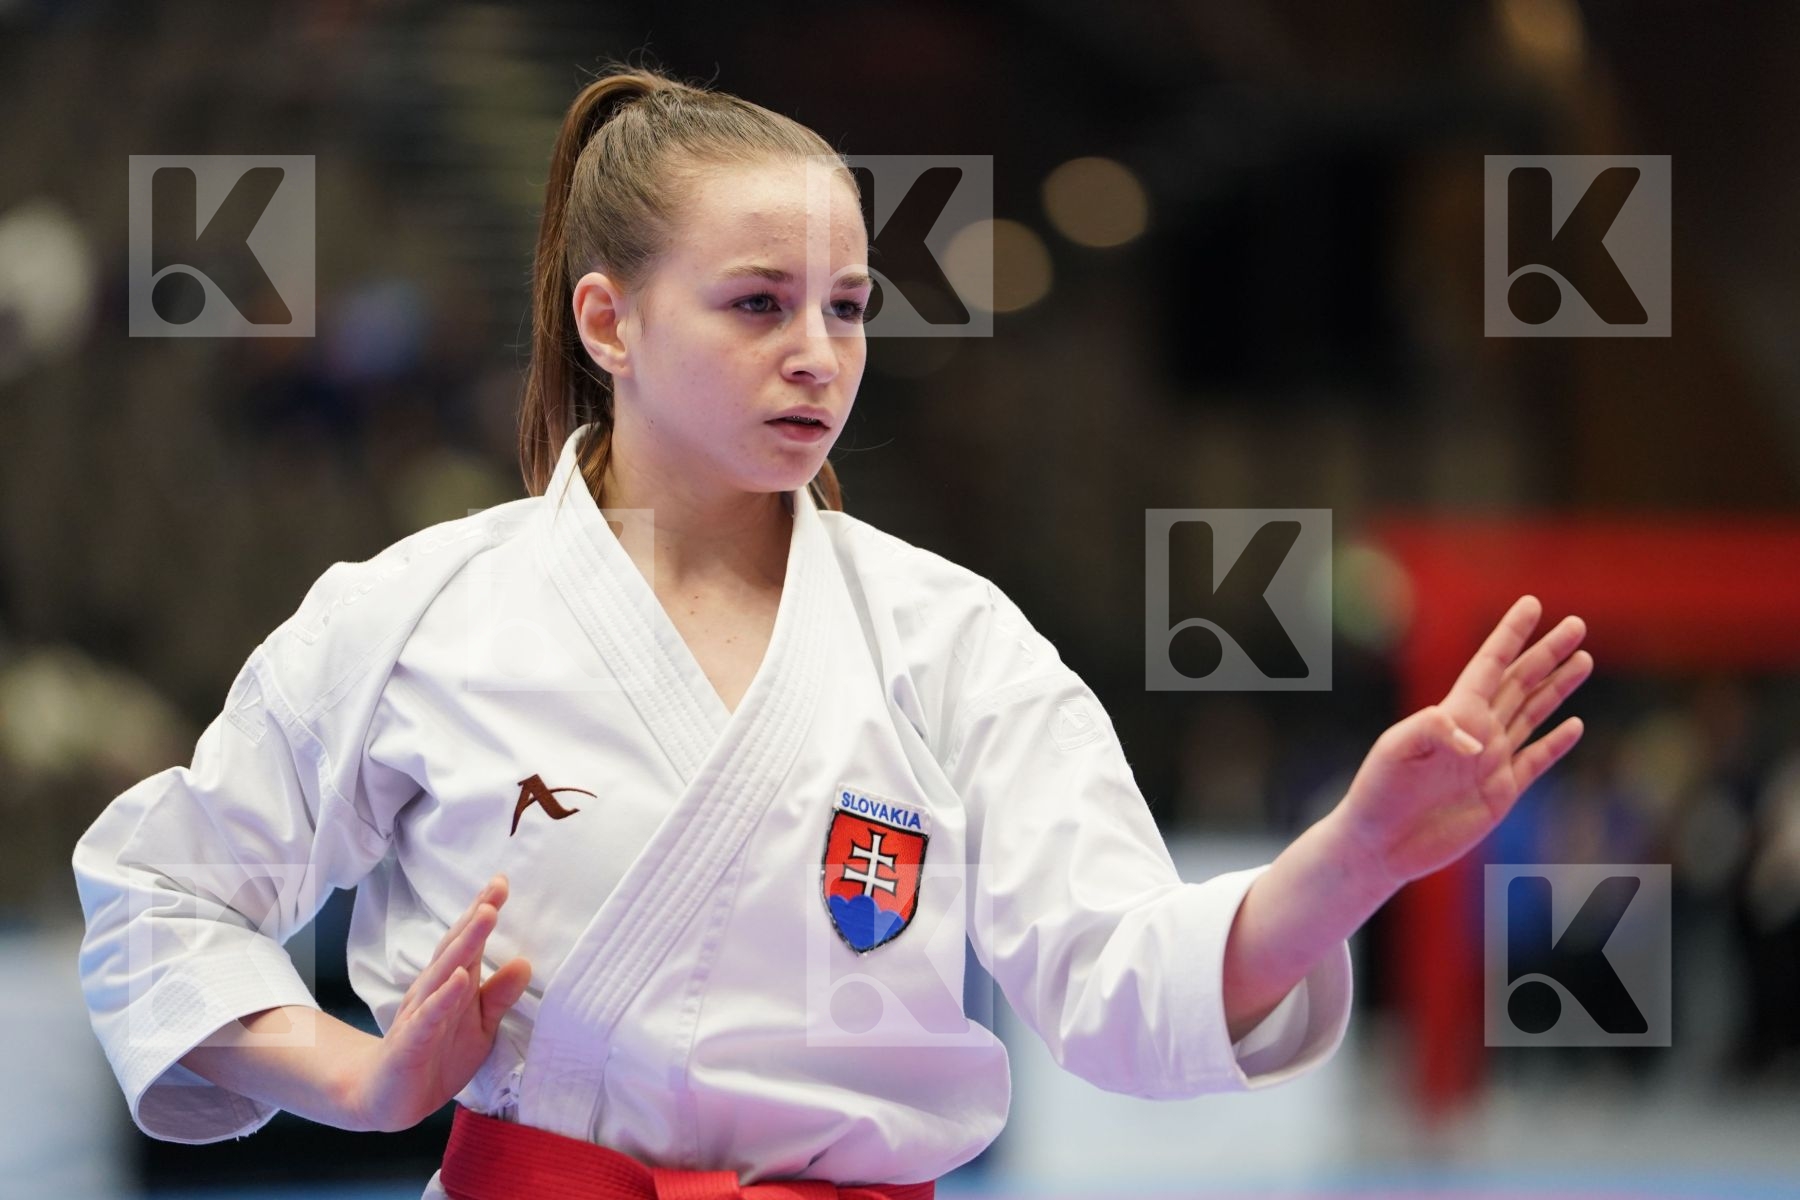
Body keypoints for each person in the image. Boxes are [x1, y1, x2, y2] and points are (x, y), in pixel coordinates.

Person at [71, 64, 1593, 1199]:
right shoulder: (418, 611)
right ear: (610, 324)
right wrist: (354, 1076)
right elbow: (160, 893)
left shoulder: (951, 640)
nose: (819, 356)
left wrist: (1360, 858)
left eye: (850, 307)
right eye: (756, 304)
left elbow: (1121, 983)